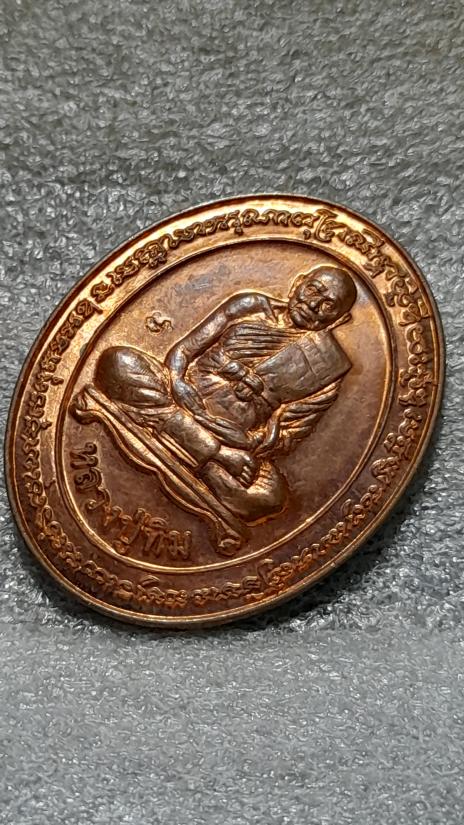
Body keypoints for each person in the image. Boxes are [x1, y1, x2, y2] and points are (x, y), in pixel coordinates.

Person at [92, 265, 356, 525]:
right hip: (179, 398)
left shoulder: (330, 367)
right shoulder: (250, 306)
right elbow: (184, 350)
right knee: (118, 362)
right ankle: (211, 456)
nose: (313, 305)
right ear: (298, 283)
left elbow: (287, 436)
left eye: (328, 305)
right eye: (313, 290)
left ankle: (180, 438)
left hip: (232, 437)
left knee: (269, 498)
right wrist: (178, 382)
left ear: (339, 319)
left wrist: (248, 441)